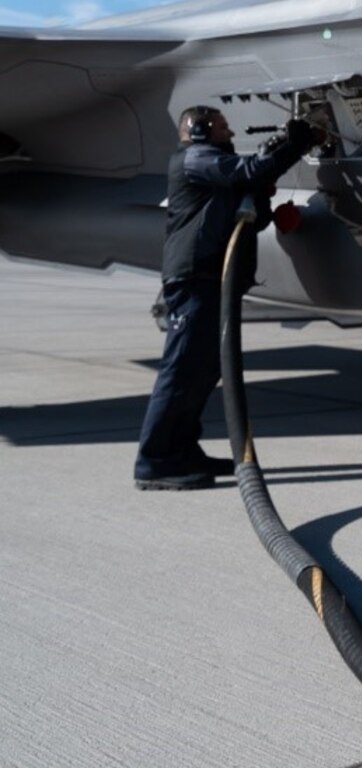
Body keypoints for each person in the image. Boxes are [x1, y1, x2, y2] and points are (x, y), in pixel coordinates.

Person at [133, 106, 317, 491]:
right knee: (181, 370)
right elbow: (248, 172)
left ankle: (181, 450)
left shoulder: (219, 167)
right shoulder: (196, 159)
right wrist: (292, 146)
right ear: (198, 130)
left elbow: (253, 211)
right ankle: (154, 462)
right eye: (221, 126)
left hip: (215, 280)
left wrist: (269, 175)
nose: (229, 130)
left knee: (203, 371)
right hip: (194, 278)